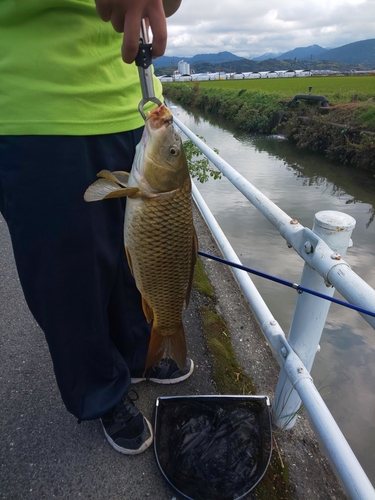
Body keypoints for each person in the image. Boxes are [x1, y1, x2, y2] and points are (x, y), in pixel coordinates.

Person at [0, 0, 193, 456]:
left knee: (132, 263)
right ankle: (101, 391)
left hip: (131, 101)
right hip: (34, 109)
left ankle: (137, 352)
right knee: (69, 283)